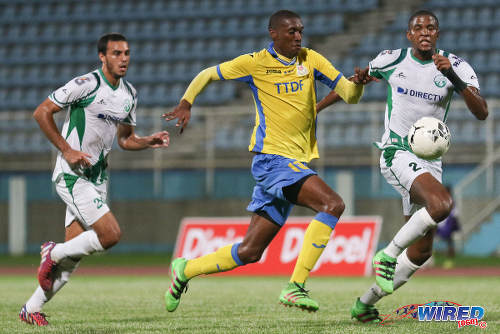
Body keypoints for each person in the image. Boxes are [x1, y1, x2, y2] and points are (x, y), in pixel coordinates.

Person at [162, 9, 372, 313]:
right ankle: (295, 286)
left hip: (294, 164)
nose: (298, 36)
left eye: (300, 30)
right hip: (272, 160)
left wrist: (360, 84)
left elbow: (349, 95)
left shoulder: (311, 59)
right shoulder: (254, 63)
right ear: (273, 33)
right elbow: (208, 73)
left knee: (250, 252)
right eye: (291, 32)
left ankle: (184, 270)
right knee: (333, 204)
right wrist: (186, 101)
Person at [316, 10, 488, 323]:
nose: (425, 31)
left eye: (431, 27)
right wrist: (315, 109)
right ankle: (387, 253)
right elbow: (353, 83)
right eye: (418, 27)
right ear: (409, 35)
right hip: (396, 151)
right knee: (442, 204)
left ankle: (364, 304)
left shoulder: (456, 66)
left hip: (429, 162)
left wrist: (453, 77)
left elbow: (482, 112)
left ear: (437, 33)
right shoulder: (390, 60)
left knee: (422, 252)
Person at [19, 33, 170, 326]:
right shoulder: (86, 84)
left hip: (98, 177)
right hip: (72, 175)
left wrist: (148, 141)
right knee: (110, 235)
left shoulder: (130, 94)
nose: (123, 58)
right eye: (116, 53)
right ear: (102, 56)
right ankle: (52, 251)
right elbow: (42, 112)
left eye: (126, 53)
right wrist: (67, 150)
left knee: (71, 259)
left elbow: (125, 140)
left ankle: (31, 308)